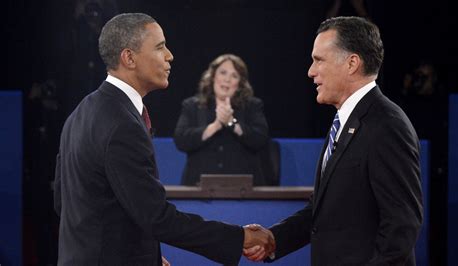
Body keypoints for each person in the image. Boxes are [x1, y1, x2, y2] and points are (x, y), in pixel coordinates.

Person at [53, 13, 274, 265]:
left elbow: (65, 203)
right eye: (160, 47)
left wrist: (145, 255)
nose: (170, 55)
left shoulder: (81, 112)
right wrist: (240, 237)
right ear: (129, 58)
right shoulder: (121, 124)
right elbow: (156, 216)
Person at [244, 16, 423, 265]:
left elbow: (401, 225)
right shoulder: (347, 120)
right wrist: (275, 238)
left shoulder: (387, 125)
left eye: (319, 60)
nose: (311, 71)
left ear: (351, 63)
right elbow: (325, 211)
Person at [174, 54, 270, 186]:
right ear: (213, 76)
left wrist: (231, 122)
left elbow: (261, 139)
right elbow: (181, 140)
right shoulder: (192, 106)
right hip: (198, 187)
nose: (227, 79)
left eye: (234, 76)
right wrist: (216, 125)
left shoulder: (252, 106)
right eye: (223, 73)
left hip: (244, 189)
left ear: (240, 83)